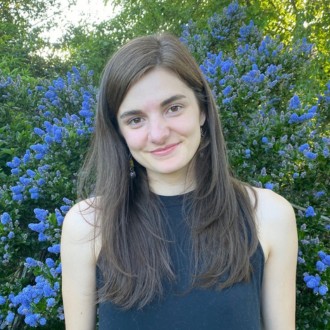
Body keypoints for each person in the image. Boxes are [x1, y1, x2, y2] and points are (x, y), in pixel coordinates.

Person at [61, 33, 298, 330]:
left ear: (201, 110)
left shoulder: (269, 215)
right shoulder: (88, 226)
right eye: (135, 119)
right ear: (118, 131)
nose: (158, 133)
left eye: (173, 108)